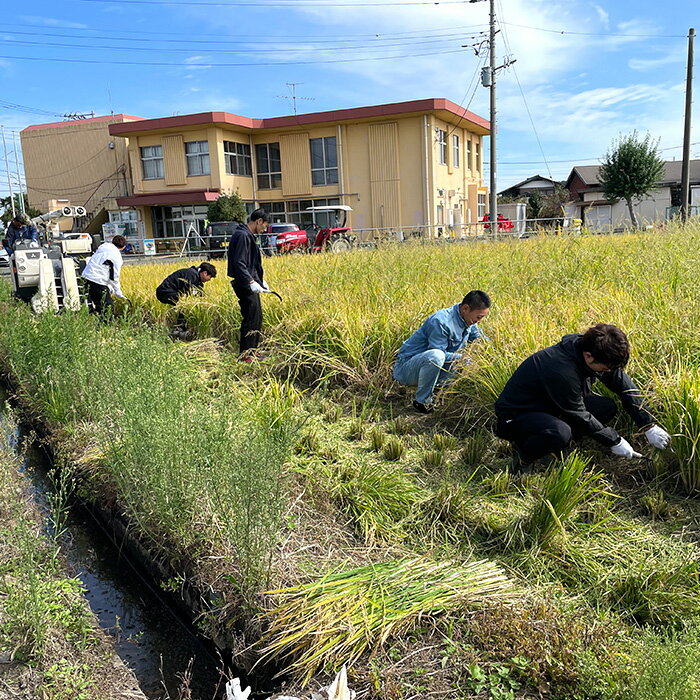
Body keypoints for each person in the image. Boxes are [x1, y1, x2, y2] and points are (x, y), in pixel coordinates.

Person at [495, 323, 671, 472]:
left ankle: (556, 448)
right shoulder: (562, 370)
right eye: (605, 368)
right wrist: (614, 440)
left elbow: (622, 383)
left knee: (606, 407)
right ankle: (524, 457)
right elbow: (577, 413)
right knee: (560, 432)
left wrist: (648, 425)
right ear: (588, 356)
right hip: (517, 415)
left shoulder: (594, 351)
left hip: (552, 406)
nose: (608, 372)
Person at [393, 290, 491, 414]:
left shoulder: (468, 320)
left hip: (428, 368)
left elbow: (480, 339)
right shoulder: (441, 321)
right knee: (438, 356)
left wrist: (492, 351)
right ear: (466, 308)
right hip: (407, 369)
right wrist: (466, 359)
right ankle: (422, 402)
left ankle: (438, 393)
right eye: (479, 317)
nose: (479, 321)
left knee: (466, 361)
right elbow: (437, 354)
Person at [227, 209, 271, 359]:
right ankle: (246, 355)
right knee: (250, 318)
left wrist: (259, 280)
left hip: (249, 282)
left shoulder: (247, 235)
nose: (264, 230)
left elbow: (250, 263)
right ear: (258, 221)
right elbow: (239, 263)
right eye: (264, 226)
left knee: (256, 317)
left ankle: (252, 350)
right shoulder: (243, 236)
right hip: (244, 284)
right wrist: (251, 281)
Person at [155, 262, 217, 338]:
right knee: (186, 304)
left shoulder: (198, 280)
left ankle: (181, 328)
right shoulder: (192, 274)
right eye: (210, 277)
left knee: (188, 304)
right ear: (205, 273)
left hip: (170, 292)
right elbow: (188, 292)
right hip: (165, 292)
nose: (209, 280)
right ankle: (179, 329)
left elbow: (200, 295)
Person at [81, 234, 128, 314]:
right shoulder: (116, 256)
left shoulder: (102, 249)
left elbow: (103, 268)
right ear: (123, 247)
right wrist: (118, 292)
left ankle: (95, 322)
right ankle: (106, 325)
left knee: (97, 306)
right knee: (107, 308)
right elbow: (114, 276)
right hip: (97, 281)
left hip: (86, 278)